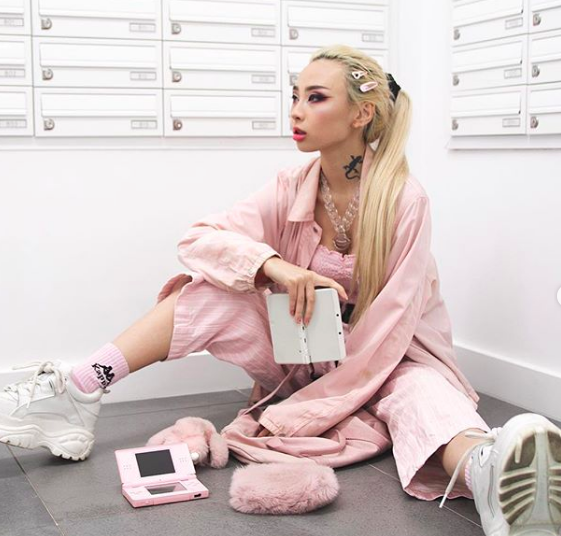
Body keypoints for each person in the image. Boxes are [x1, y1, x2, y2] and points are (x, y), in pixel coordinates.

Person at [1, 44, 559, 535]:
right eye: (294, 96)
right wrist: (275, 267)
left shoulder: (405, 200)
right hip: (306, 356)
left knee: (423, 395)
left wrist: (306, 411)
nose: (295, 111)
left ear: (362, 113)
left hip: (390, 358)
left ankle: (489, 475)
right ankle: (82, 387)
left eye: (315, 98)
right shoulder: (289, 185)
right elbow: (198, 240)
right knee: (210, 290)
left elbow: (389, 328)